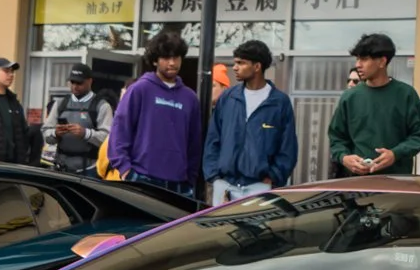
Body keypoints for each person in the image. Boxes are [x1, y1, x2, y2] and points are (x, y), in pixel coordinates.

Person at [202, 40, 298, 203]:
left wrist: (273, 178)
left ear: (257, 67)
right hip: (225, 186)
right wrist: (214, 176)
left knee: (258, 229)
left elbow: (287, 147)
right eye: (235, 63)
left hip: (259, 187)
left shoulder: (279, 102)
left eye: (241, 63)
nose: (235, 68)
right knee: (223, 229)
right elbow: (213, 138)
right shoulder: (228, 98)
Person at [107, 31, 200, 196]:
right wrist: (126, 170)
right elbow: (120, 131)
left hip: (179, 184)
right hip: (142, 178)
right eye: (166, 58)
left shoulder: (190, 98)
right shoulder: (139, 90)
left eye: (176, 57)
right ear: (155, 60)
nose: (172, 63)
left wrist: (190, 178)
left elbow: (194, 143)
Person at [327, 31, 420, 178]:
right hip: (356, 185)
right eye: (357, 59)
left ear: (382, 62)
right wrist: (345, 158)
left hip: (396, 184)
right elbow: (337, 138)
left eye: (364, 59)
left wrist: (395, 154)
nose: (358, 65)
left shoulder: (406, 94)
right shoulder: (350, 97)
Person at [43, 63, 113, 175]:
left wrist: (86, 133)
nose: (75, 86)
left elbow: (108, 139)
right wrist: (55, 133)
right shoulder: (61, 103)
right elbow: (45, 132)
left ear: (90, 81)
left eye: (79, 83)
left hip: (90, 169)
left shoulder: (102, 106)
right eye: (72, 82)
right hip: (61, 168)